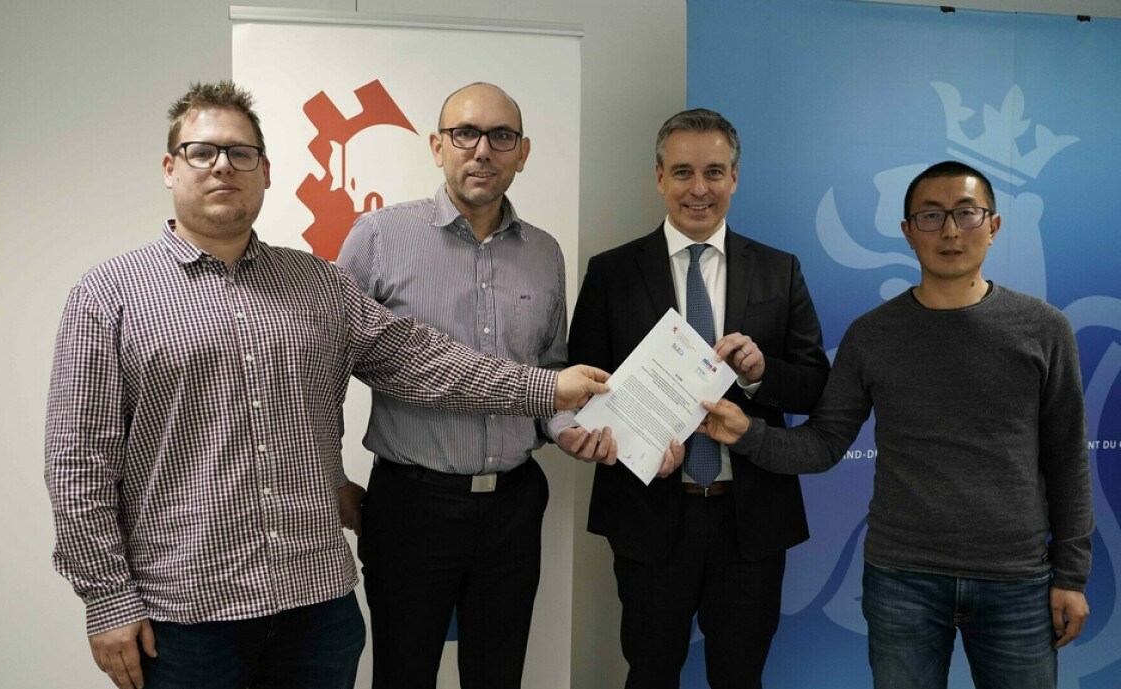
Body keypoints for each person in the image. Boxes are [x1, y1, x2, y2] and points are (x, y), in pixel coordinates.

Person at [44, 80, 610, 689]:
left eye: (240, 153)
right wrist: (107, 598)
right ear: (169, 167)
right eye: (202, 152)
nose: (222, 167)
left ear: (266, 172)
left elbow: (421, 360)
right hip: (188, 609)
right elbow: (78, 463)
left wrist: (545, 392)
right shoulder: (109, 296)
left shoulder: (318, 285)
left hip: (313, 604)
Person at [335, 82, 681, 689]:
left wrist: (571, 432)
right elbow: (325, 367)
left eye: (501, 137)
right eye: (464, 134)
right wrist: (332, 478)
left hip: (514, 508)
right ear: (436, 146)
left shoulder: (544, 253)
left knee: (498, 676)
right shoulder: (379, 238)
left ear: (523, 152)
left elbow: (550, 370)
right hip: (412, 505)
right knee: (403, 673)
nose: (482, 151)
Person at [700, 160, 1093, 689]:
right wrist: (748, 433)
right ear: (908, 232)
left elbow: (1067, 458)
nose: (950, 231)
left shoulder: (1045, 329)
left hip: (1017, 579)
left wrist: (1071, 575)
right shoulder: (872, 336)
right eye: (931, 216)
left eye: (967, 213)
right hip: (902, 580)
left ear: (994, 226)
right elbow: (823, 443)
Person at [567, 108, 830, 688]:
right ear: (659, 177)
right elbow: (578, 387)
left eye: (714, 172)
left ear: (734, 177)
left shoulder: (779, 270)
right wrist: (619, 441)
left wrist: (761, 375)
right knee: (650, 672)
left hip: (750, 519)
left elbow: (816, 385)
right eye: (683, 172)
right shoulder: (611, 272)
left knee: (740, 677)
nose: (699, 189)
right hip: (650, 514)